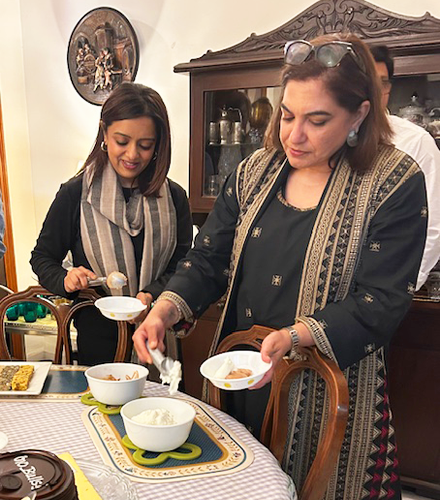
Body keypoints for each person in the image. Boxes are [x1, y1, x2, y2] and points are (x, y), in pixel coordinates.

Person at [133, 34, 428, 498]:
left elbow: (382, 300)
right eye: (287, 115)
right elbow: (209, 256)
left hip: (329, 396)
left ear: (359, 115)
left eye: (318, 120)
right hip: (243, 378)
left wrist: (297, 336)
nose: (295, 135)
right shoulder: (255, 171)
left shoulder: (392, 183)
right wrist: (165, 310)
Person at [31, 82, 193, 365]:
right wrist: (66, 279)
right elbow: (42, 258)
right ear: (104, 132)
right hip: (98, 340)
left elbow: (183, 264)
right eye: (122, 141)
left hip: (156, 334)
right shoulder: (75, 195)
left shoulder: (175, 198)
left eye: (145, 145)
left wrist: (152, 294)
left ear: (158, 145)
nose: (132, 155)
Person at [371, 44, 440, 289]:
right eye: (366, 81)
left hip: (385, 293)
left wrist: (397, 291)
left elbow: (433, 228)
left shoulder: (415, 141)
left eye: (382, 83)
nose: (374, 91)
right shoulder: (331, 139)